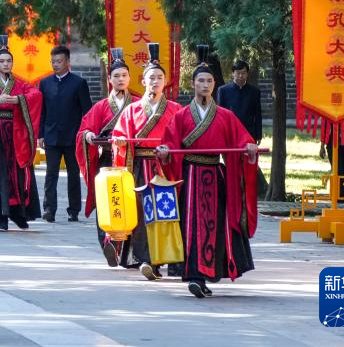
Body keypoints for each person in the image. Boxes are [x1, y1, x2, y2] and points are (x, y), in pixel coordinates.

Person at [157, 45, 258, 299]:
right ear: (193, 84)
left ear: (214, 84)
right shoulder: (180, 116)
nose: (205, 84)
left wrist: (248, 146)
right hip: (190, 175)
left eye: (209, 80)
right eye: (201, 80)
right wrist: (165, 151)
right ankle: (194, 275)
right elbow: (171, 142)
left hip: (215, 175)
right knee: (192, 226)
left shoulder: (225, 116)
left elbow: (241, 139)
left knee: (215, 226)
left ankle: (207, 274)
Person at [111, 42, 183, 279]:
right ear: (142, 82)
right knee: (142, 213)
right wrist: (120, 142)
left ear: (165, 82)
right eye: (151, 78)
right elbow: (120, 134)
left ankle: (162, 260)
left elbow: (181, 138)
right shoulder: (131, 110)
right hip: (139, 166)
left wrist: (169, 149)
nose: (155, 82)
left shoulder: (174, 109)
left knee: (165, 213)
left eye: (159, 77)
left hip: (164, 169)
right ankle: (145, 259)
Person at [76, 48, 139, 265]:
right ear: (109, 79)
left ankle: (130, 254)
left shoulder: (138, 104)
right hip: (108, 161)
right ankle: (108, 243)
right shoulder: (101, 107)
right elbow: (84, 130)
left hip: (132, 161)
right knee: (108, 202)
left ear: (130, 78)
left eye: (124, 75)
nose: (121, 79)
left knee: (131, 205)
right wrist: (89, 136)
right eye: (116, 76)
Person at [0, 48, 43, 231]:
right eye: (2, 61)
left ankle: (19, 214)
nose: (5, 64)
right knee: (0, 174)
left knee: (18, 174)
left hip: (16, 135)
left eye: (8, 61)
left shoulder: (20, 84)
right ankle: (2, 216)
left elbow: (36, 95)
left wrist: (19, 100)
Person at [38, 45, 93, 223]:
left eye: (59, 61)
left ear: (67, 62)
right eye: (53, 61)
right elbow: (42, 111)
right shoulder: (45, 83)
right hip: (51, 136)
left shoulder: (78, 83)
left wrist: (85, 134)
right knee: (50, 174)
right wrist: (40, 134)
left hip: (73, 137)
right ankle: (48, 210)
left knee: (73, 174)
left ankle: (74, 210)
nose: (56, 64)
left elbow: (88, 112)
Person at [215, 60, 263, 144]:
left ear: (247, 74)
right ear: (233, 73)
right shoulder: (223, 90)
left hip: (249, 132)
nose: (240, 76)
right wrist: (220, 134)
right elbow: (220, 115)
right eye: (237, 73)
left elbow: (258, 114)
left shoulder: (254, 91)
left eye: (243, 73)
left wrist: (258, 135)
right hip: (230, 133)